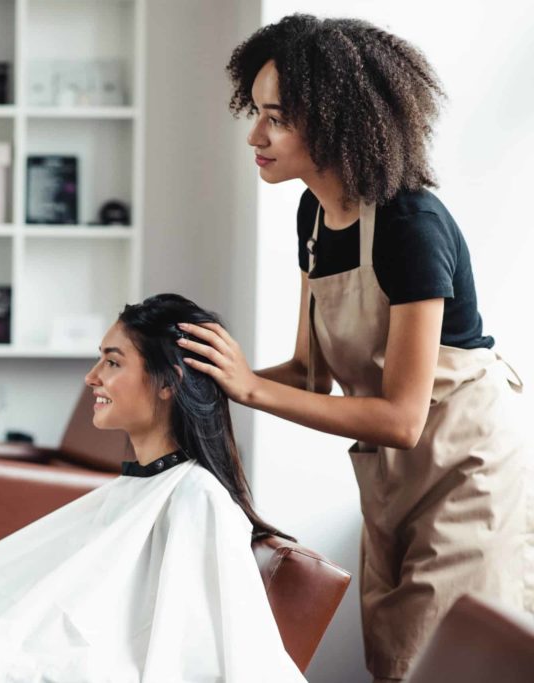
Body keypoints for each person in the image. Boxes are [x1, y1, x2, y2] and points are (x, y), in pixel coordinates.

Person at [178, 14, 532, 682]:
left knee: (436, 664)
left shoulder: (410, 225)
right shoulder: (313, 215)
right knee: (393, 654)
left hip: (468, 472)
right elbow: (311, 376)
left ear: (336, 120)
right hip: (393, 480)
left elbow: (402, 416)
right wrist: (217, 375)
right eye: (254, 111)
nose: (255, 134)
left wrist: (251, 387)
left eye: (275, 118)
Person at [0, 294, 305, 682]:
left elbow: (186, 653)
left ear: (168, 384)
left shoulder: (197, 497)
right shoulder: (143, 485)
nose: (92, 377)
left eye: (112, 361)